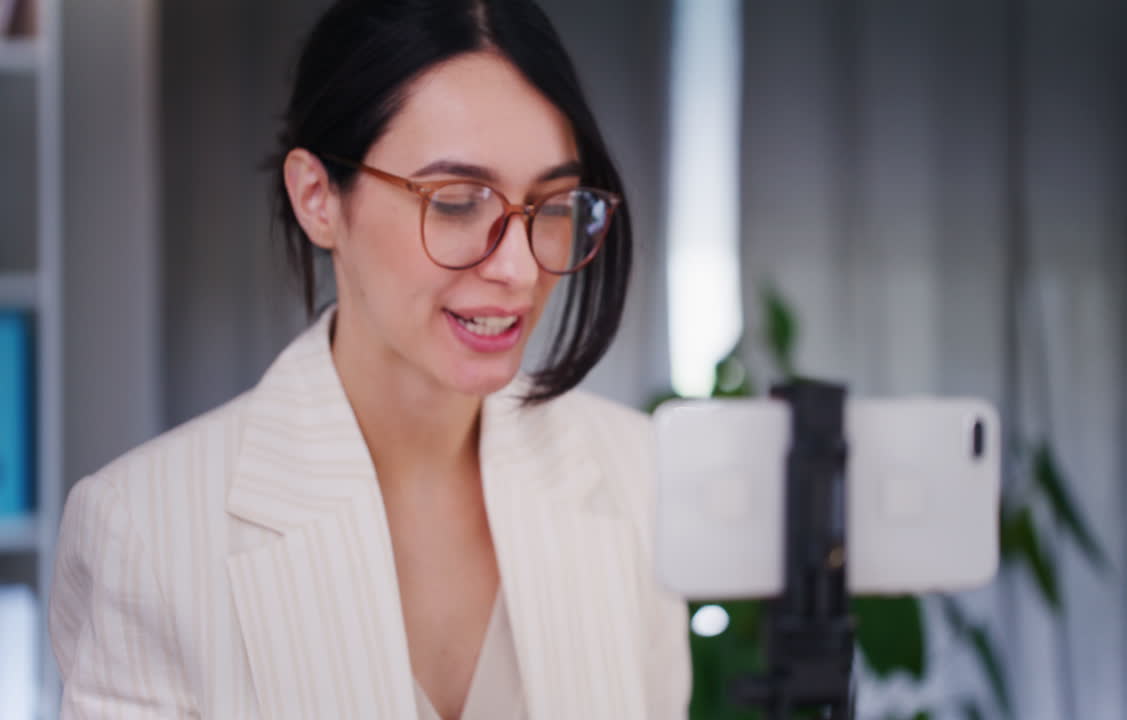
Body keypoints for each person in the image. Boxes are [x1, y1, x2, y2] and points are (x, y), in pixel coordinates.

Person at [48, 0, 691, 717]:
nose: (517, 267)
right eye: (457, 202)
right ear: (318, 198)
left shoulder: (634, 475)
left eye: (554, 201)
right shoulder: (145, 531)